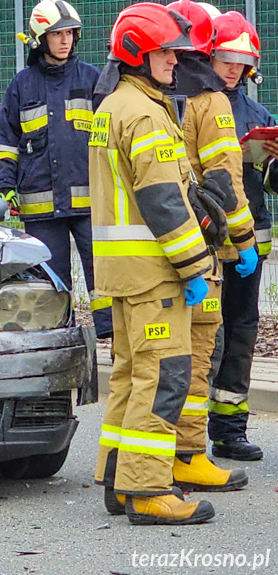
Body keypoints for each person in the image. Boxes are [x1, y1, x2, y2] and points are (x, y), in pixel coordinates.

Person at [91, 3, 216, 525]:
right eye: (165, 51)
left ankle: (120, 480)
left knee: (131, 376)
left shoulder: (116, 106)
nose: (174, 60)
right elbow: (162, 200)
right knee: (164, 376)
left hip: (125, 274)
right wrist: (195, 266)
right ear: (139, 55)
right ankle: (147, 492)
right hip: (154, 272)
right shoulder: (143, 112)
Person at [166, 0, 253, 493]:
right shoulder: (211, 101)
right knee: (199, 353)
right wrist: (242, 241)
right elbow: (224, 182)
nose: (235, 70)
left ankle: (128, 462)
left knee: (152, 360)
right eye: (228, 59)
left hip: (155, 249)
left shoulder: (143, 94)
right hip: (202, 245)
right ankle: (189, 456)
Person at [0, 0, 111, 338]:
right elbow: (6, 140)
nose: (65, 41)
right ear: (40, 39)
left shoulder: (93, 79)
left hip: (91, 204)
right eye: (57, 34)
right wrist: (6, 187)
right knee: (51, 283)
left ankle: (111, 335)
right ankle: (60, 340)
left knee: (102, 274)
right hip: (41, 209)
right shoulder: (22, 85)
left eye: (70, 33)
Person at [209, 12, 278, 461]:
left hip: (250, 245)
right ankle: (190, 432)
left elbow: (269, 184)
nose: (234, 68)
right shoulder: (191, 104)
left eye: (242, 60)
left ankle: (230, 430)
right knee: (206, 338)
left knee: (240, 335)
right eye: (227, 59)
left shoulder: (257, 112)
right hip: (211, 244)